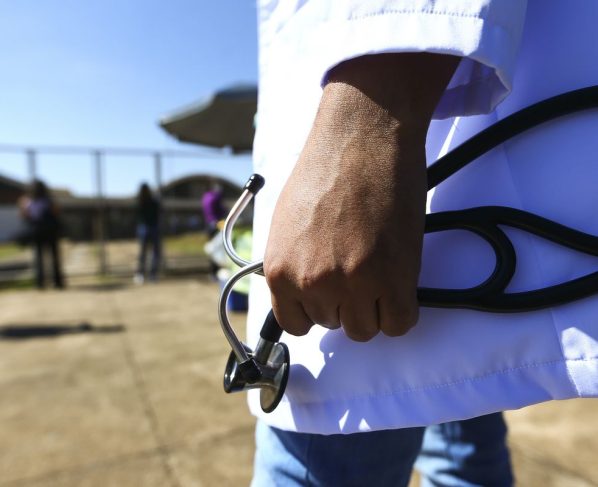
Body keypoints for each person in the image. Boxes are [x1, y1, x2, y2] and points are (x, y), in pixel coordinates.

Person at [247, 1, 598, 486]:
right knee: (459, 408)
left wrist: (367, 116)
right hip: (430, 160)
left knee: (333, 438)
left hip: (383, 135)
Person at [18, 180, 65, 289]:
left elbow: (24, 215)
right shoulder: (46, 200)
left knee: (40, 258)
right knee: (50, 257)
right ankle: (54, 282)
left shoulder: (29, 201)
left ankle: (42, 283)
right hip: (47, 232)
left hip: (40, 231)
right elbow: (56, 212)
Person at [134, 183, 161, 284]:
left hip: (146, 228)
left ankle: (142, 273)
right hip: (150, 227)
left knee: (144, 253)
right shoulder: (150, 201)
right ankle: (150, 274)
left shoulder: (141, 201)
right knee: (151, 252)